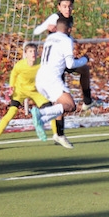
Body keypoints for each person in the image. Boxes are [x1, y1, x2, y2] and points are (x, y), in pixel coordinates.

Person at [31, 17, 88, 149]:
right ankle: (40, 114)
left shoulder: (50, 38)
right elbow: (70, 64)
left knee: (59, 105)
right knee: (70, 105)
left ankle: (42, 121)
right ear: (69, 29)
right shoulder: (66, 40)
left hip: (40, 78)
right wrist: (84, 60)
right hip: (52, 79)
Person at [34, 0, 96, 112]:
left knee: (84, 69)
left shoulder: (69, 18)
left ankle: (87, 101)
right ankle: (53, 118)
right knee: (63, 101)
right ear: (59, 7)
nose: (67, 9)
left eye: (70, 6)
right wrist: (46, 27)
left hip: (63, 57)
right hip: (54, 61)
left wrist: (72, 40)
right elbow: (36, 31)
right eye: (64, 6)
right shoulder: (54, 18)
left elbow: (64, 36)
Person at [0, 42, 56, 150]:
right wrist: (11, 87)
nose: (33, 54)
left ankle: (57, 136)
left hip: (36, 91)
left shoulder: (42, 63)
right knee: (12, 112)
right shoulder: (20, 65)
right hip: (20, 91)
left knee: (52, 111)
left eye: (34, 51)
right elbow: (14, 74)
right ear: (25, 54)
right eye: (30, 51)